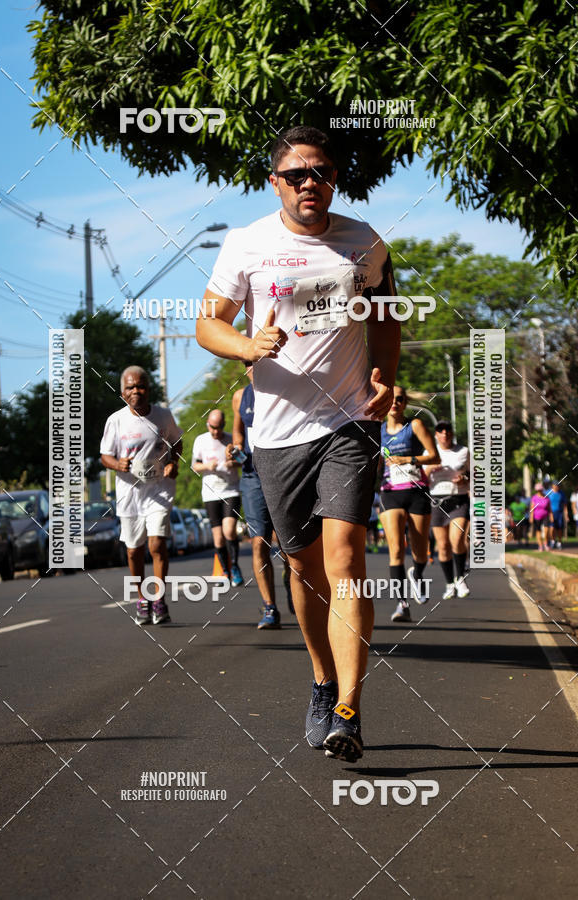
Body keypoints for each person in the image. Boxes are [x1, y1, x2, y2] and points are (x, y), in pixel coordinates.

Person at [196, 125, 400, 763]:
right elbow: (207, 322)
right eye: (296, 174)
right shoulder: (246, 243)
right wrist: (246, 345)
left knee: (345, 559)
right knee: (304, 571)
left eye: (322, 172)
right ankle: (322, 680)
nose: (310, 182)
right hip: (278, 434)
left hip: (349, 422)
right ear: (275, 183)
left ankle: (349, 711)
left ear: (334, 179)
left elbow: (387, 317)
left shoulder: (364, 242)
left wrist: (386, 377)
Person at [100, 366, 182, 625]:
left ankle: (159, 600)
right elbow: (105, 456)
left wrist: (173, 463)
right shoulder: (116, 420)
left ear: (149, 389)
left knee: (157, 544)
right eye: (130, 387)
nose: (136, 391)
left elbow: (177, 442)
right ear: (123, 392)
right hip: (130, 494)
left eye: (141, 386)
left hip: (159, 490)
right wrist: (117, 464)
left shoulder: (163, 416)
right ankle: (142, 599)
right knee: (134, 551)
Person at [230, 369, 292, 628]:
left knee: (288, 543)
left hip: (283, 472)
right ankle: (270, 608)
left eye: (256, 362)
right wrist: (235, 449)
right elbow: (238, 433)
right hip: (252, 476)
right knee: (259, 542)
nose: (252, 368)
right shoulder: (240, 396)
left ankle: (292, 582)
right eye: (248, 363)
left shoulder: (283, 388)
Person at [379, 387, 440, 622]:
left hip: (417, 491)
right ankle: (402, 604)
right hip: (390, 493)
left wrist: (407, 459)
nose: (395, 403)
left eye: (400, 399)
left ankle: (418, 573)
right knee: (395, 550)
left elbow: (434, 456)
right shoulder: (378, 430)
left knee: (420, 550)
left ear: (405, 403)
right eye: (391, 399)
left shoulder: (414, 426)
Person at [191, 410, 243, 586]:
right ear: (208, 424)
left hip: (231, 490)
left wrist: (232, 463)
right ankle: (225, 571)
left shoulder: (231, 439)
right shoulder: (201, 440)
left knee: (229, 530)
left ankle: (235, 567)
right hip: (210, 493)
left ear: (224, 425)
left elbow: (243, 460)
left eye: (219, 427)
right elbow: (195, 466)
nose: (215, 431)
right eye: (213, 427)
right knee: (218, 537)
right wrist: (207, 465)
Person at [425, 422, 471, 599]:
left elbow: (473, 474)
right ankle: (449, 583)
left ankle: (460, 578)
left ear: (452, 433)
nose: (444, 434)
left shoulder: (463, 451)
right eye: (440, 431)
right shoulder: (429, 452)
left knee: (457, 539)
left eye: (448, 431)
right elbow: (421, 479)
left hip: (458, 499)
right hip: (436, 501)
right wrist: (430, 467)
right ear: (436, 435)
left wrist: (464, 479)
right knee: (443, 546)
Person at [529, 482, 552, 551]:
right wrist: (531, 517)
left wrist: (551, 516)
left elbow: (549, 508)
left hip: (545, 515)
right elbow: (532, 508)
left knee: (546, 530)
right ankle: (540, 545)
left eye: (540, 490)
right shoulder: (534, 498)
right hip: (537, 516)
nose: (539, 491)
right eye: (538, 490)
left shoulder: (546, 497)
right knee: (538, 530)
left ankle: (546, 544)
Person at [547, 481, 567, 549]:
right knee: (552, 528)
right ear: (552, 486)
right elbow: (546, 504)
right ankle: (552, 541)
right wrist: (550, 514)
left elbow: (565, 505)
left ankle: (559, 542)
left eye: (557, 485)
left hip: (559, 513)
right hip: (551, 513)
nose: (556, 486)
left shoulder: (562, 494)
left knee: (559, 528)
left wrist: (566, 514)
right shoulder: (549, 493)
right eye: (555, 485)